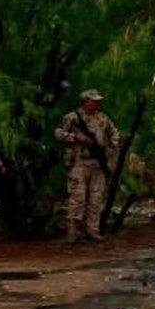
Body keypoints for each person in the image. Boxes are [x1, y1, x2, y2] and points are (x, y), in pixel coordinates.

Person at [54, 88, 120, 243]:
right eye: (94, 100)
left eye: (98, 101)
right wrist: (75, 137)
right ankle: (72, 232)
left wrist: (110, 149)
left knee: (96, 198)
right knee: (77, 197)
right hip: (79, 162)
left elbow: (115, 134)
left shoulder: (103, 118)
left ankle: (92, 230)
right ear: (85, 101)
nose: (97, 103)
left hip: (98, 163)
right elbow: (58, 133)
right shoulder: (73, 117)